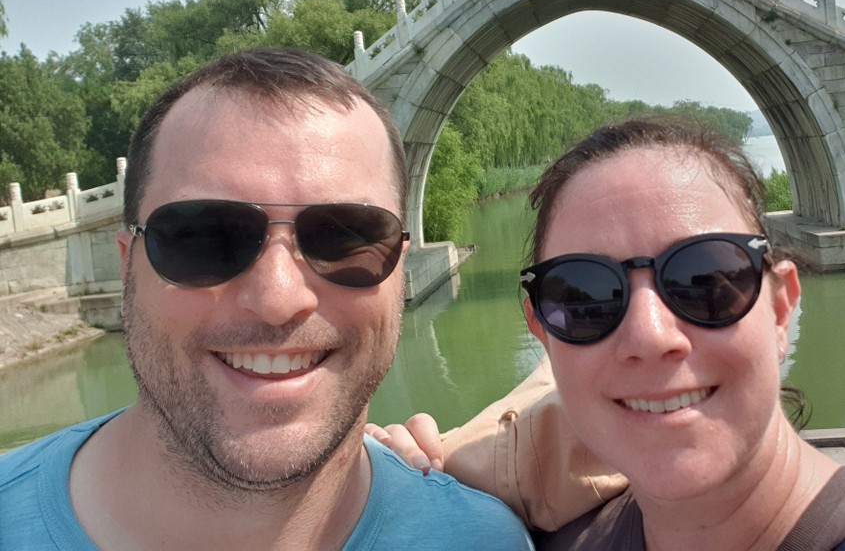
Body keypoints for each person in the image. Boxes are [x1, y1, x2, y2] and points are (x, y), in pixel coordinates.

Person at [0, 48, 532, 550]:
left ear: (398, 271)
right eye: (206, 238)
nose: (278, 299)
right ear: (126, 265)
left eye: (345, 237)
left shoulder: (482, 539)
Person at [369, 116, 845, 549]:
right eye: (586, 296)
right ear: (542, 331)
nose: (651, 335)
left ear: (781, 307)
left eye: (705, 276)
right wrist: (402, 490)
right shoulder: (544, 530)